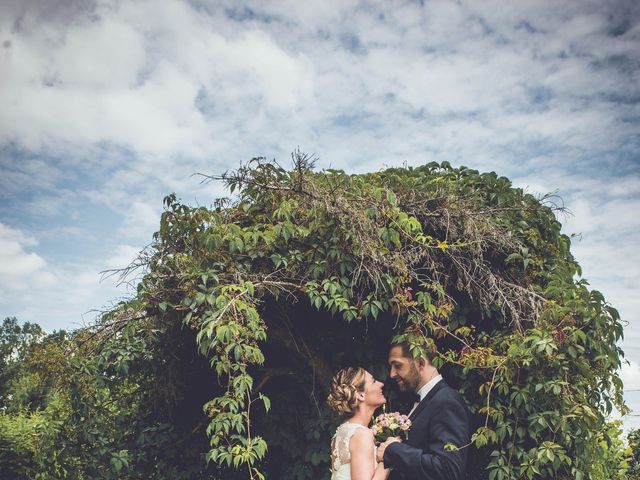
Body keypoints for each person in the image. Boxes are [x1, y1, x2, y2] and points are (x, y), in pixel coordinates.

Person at [377, 342, 471, 480]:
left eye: (398, 366)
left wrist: (394, 450)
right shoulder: (425, 400)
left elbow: (448, 470)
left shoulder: (446, 401)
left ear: (420, 363)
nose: (391, 374)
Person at [327, 367, 392, 480]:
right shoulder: (361, 434)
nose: (381, 384)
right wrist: (387, 457)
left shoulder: (343, 432)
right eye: (373, 381)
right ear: (360, 395)